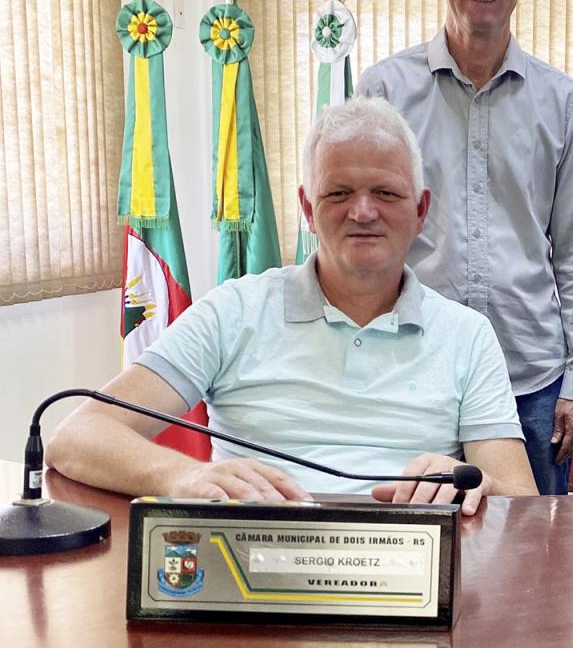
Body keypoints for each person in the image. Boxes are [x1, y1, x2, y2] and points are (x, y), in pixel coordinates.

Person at [46, 97, 537, 515]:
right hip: (252, 568)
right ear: (307, 208)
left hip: (415, 571)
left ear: (420, 210)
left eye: (385, 193)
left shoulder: (468, 335)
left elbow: (521, 504)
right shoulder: (233, 311)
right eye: (339, 192)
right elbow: (76, 437)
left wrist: (471, 483)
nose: (363, 212)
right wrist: (188, 477)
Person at [357, 0, 573, 495]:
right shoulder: (384, 91)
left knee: (534, 559)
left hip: (532, 379)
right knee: (418, 555)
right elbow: (358, 234)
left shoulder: (562, 102)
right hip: (412, 368)